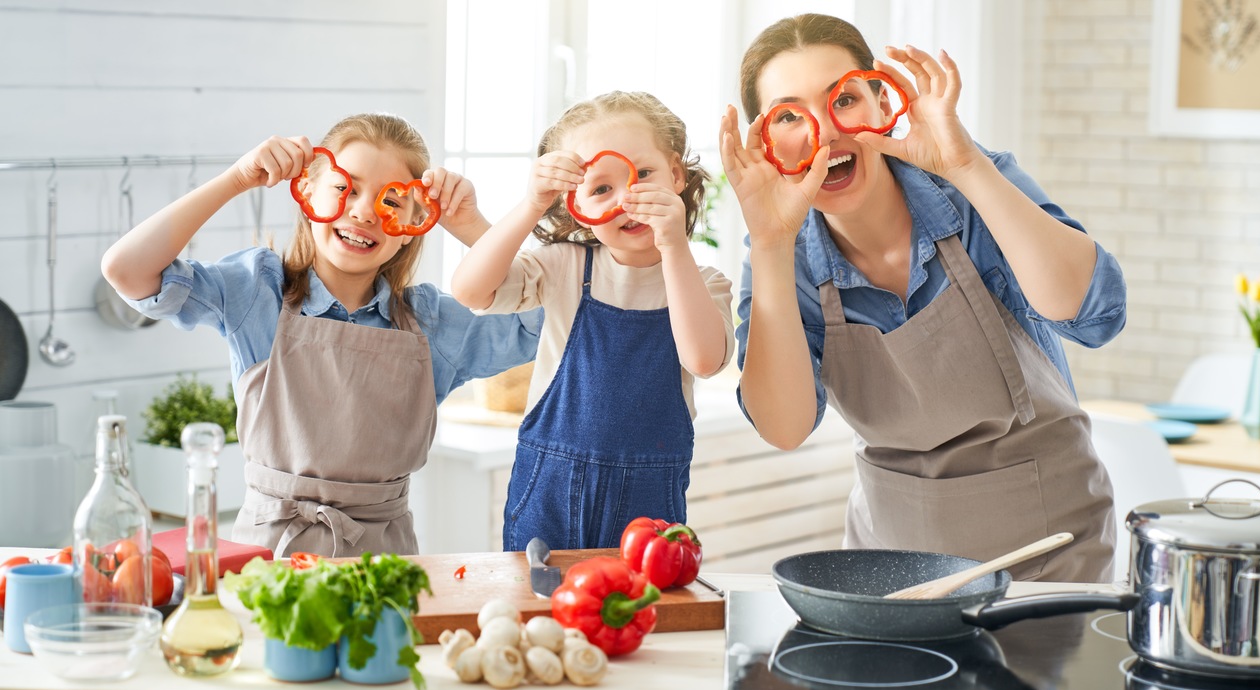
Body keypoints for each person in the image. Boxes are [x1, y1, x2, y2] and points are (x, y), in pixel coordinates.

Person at [720, 14, 1126, 582]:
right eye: (789, 115)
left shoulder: (968, 184)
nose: (826, 131)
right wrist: (769, 243)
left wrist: (966, 167)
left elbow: (1095, 314)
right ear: (765, 146)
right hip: (889, 567)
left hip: (1049, 553)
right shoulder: (780, 253)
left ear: (884, 105)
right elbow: (784, 427)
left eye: (844, 99)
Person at [100, 113, 542, 559]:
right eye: (344, 187)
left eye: (392, 202)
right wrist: (236, 180)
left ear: (416, 225)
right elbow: (127, 270)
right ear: (307, 190)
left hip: (384, 566)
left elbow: (551, 318)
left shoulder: (432, 323)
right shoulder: (257, 292)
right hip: (266, 562)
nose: (364, 211)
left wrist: (470, 226)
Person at [451, 91, 734, 551]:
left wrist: (674, 246)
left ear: (677, 175)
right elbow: (470, 289)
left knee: (638, 617)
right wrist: (530, 205)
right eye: (602, 188)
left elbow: (703, 359)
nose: (626, 197)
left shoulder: (704, 283)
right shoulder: (562, 267)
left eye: (643, 175)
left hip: (649, 509)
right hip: (548, 495)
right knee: (539, 614)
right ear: (575, 205)